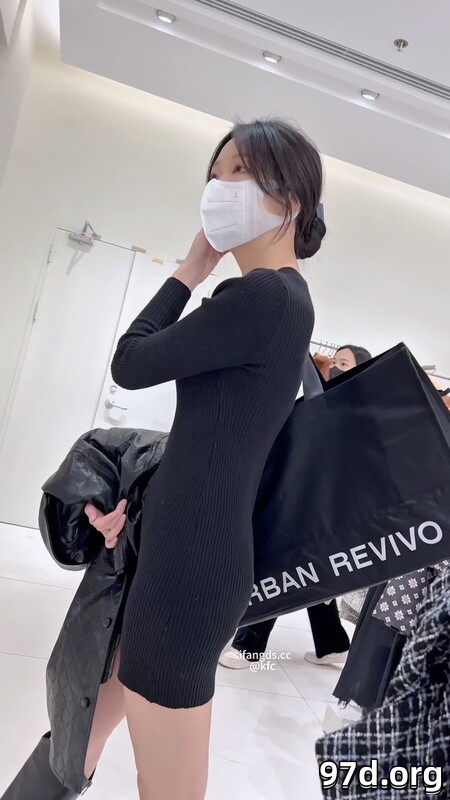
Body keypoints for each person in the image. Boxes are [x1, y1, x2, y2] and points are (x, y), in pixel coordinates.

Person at [219, 344, 373, 670]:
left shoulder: (355, 410)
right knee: (309, 572)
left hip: (322, 507)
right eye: (333, 360)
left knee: (279, 565)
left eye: (343, 363)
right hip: (302, 499)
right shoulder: (324, 402)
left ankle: (249, 647)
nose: (334, 366)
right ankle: (332, 645)